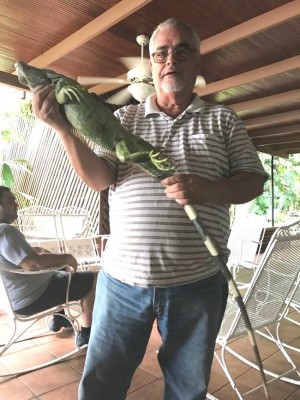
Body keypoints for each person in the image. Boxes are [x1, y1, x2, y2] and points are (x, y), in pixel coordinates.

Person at [32, 17, 267, 400]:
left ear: (197, 64)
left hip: (198, 285)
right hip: (122, 283)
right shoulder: (124, 118)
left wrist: (209, 189)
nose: (170, 59)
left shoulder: (223, 120)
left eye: (182, 50)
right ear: (153, 64)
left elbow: (253, 181)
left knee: (187, 390)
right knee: (101, 386)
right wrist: (62, 129)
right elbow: (100, 179)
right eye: (160, 53)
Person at [0, 186, 96, 348]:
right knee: (93, 278)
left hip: (11, 298)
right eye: (10, 201)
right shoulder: (6, 232)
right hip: (31, 298)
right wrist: (67, 257)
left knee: (61, 267)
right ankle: (86, 334)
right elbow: (32, 264)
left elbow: (15, 256)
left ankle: (59, 317)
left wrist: (37, 251)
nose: (16, 205)